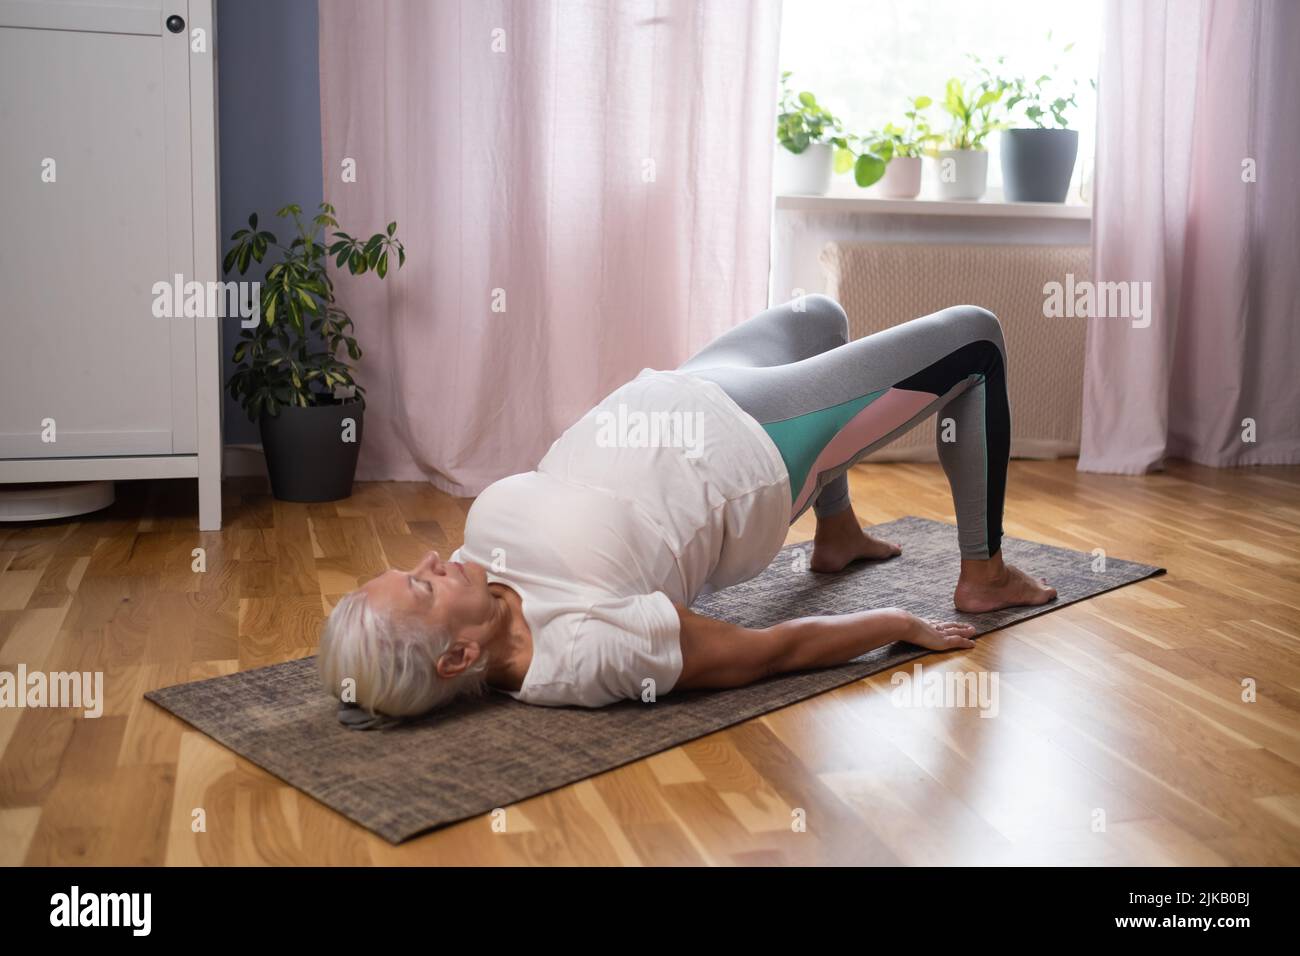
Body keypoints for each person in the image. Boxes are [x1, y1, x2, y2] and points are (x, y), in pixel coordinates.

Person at [318, 295, 1055, 716]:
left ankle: (839, 532)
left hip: (685, 389)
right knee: (978, 338)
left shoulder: (480, 586)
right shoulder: (585, 650)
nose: (431, 560)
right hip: (759, 442)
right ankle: (983, 572)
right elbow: (766, 654)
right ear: (459, 656)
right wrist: (896, 623)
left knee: (821, 315)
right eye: (421, 585)